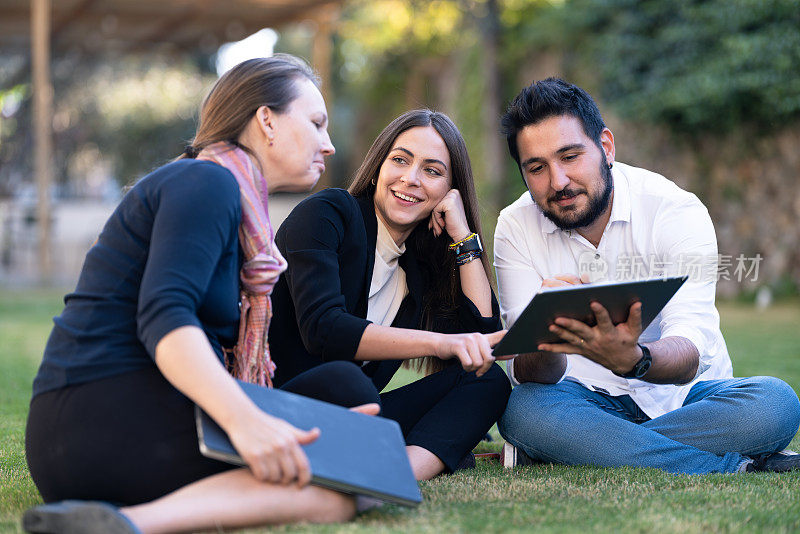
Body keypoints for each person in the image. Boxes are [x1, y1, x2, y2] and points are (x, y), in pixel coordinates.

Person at [23, 55, 384, 534]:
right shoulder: (205, 182)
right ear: (266, 121)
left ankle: (119, 519)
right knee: (345, 491)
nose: (329, 144)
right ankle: (127, 522)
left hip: (129, 416)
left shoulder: (232, 202)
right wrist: (245, 423)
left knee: (344, 393)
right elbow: (166, 318)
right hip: (97, 424)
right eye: (316, 123)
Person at [493, 77, 800, 474]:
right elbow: (527, 373)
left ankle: (586, 445)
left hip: (685, 398)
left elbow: (689, 351)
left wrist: (635, 360)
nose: (558, 182)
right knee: (522, 411)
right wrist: (545, 333)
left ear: (606, 146)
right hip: (579, 398)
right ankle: (736, 466)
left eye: (570, 156)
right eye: (537, 168)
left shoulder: (675, 210)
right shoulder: (515, 227)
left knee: (774, 404)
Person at [267, 109, 512, 480]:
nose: (410, 179)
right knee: (347, 381)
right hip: (283, 407)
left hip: (356, 415)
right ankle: (413, 449)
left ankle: (396, 471)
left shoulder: (421, 263)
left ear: (450, 189)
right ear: (379, 164)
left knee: (488, 379)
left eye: (432, 171)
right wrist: (439, 344)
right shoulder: (326, 215)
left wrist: (462, 237)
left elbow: (481, 336)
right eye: (400, 159)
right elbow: (324, 330)